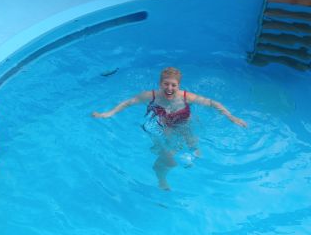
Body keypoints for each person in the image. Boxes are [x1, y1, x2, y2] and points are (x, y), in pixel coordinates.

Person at [92, 67, 246, 190]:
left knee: (191, 140)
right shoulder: (151, 95)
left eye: (174, 85)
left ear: (179, 86)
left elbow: (212, 103)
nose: (170, 88)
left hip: (184, 122)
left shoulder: (186, 96)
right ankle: (162, 177)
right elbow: (129, 102)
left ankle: (192, 150)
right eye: (166, 84)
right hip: (164, 125)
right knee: (168, 152)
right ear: (160, 84)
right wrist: (108, 114)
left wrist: (231, 116)